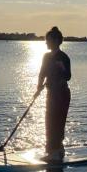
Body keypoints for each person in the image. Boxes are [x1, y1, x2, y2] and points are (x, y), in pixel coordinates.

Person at [34, 26, 71, 162]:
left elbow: (68, 77)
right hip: (51, 94)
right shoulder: (46, 56)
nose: (46, 43)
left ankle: (57, 151)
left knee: (58, 122)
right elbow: (42, 73)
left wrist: (62, 69)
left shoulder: (64, 57)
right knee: (49, 122)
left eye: (48, 40)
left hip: (62, 94)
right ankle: (52, 151)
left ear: (56, 41)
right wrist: (38, 88)